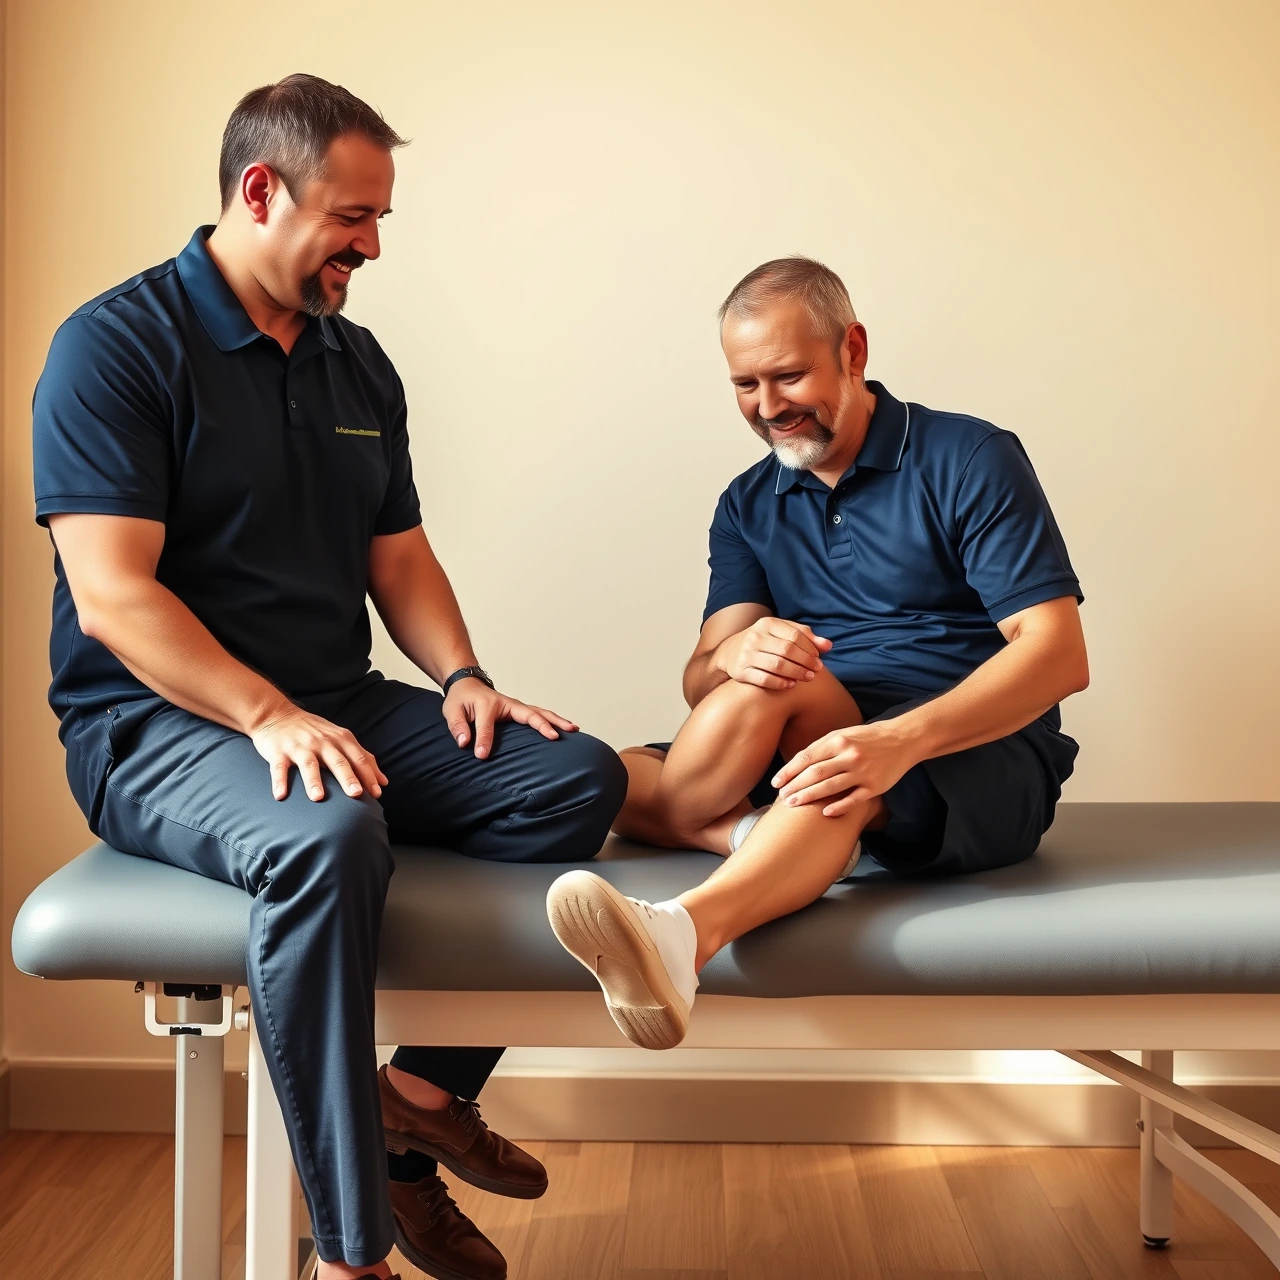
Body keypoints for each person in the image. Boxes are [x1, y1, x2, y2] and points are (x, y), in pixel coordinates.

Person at [33, 74, 627, 1280]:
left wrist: (462, 674)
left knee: (572, 779)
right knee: (329, 832)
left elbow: (395, 553)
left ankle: (415, 1097)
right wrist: (264, 712)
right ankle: (351, 1250)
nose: (371, 244)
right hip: (154, 725)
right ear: (261, 190)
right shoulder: (116, 345)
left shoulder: (358, 365)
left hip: (328, 700)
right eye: (352, 217)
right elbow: (112, 594)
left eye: (380, 220)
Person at [546, 256, 1087, 1052]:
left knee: (834, 778)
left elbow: (1056, 657)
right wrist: (736, 656)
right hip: (822, 723)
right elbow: (701, 678)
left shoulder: (969, 457)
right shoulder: (747, 501)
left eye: (789, 376)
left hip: (971, 748)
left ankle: (683, 938)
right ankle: (760, 835)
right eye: (744, 385)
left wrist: (894, 743)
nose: (769, 408)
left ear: (854, 351)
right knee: (609, 773)